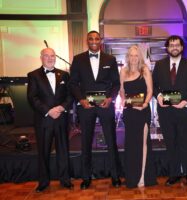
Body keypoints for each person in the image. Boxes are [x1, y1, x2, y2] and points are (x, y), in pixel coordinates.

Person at [68, 30, 121, 189]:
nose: (94, 41)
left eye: (96, 38)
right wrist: (81, 100)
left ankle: (115, 176)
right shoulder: (78, 60)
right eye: (91, 38)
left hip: (105, 105)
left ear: (100, 41)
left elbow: (116, 84)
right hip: (86, 106)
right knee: (85, 142)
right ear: (87, 41)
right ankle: (86, 177)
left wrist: (110, 98)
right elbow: (73, 84)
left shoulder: (110, 59)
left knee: (111, 140)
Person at [152, 35, 187, 186]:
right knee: (171, 143)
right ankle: (174, 174)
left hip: (185, 111)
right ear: (167, 48)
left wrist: (186, 101)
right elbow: (153, 85)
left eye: (177, 45)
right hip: (166, 112)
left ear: (181, 47)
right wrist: (159, 96)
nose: (174, 47)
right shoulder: (159, 65)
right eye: (171, 45)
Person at [27, 48, 74, 192]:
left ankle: (65, 179)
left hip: (61, 118)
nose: (50, 58)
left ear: (56, 57)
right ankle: (43, 182)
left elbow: (69, 96)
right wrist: (48, 111)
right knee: (43, 151)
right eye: (46, 56)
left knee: (63, 150)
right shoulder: (33, 75)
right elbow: (32, 98)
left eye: (52, 55)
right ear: (41, 57)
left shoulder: (64, 75)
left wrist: (60, 108)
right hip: (44, 120)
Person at [119, 45, 157, 188]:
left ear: (139, 57)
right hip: (129, 113)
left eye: (136, 55)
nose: (134, 58)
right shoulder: (123, 71)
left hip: (142, 111)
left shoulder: (145, 70)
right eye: (131, 55)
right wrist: (123, 99)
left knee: (143, 143)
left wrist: (145, 103)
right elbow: (122, 91)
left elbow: (150, 91)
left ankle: (142, 177)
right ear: (128, 57)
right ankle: (131, 176)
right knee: (131, 144)